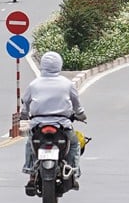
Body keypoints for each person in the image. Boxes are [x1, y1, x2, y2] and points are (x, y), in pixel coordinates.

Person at [21, 52, 85, 192]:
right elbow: (76, 104)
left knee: (30, 144)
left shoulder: (34, 84)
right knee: (74, 144)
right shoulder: (67, 84)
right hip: (62, 125)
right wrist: (81, 115)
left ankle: (31, 173)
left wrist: (24, 115)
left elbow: (25, 104)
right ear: (59, 65)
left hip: (38, 125)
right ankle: (73, 171)